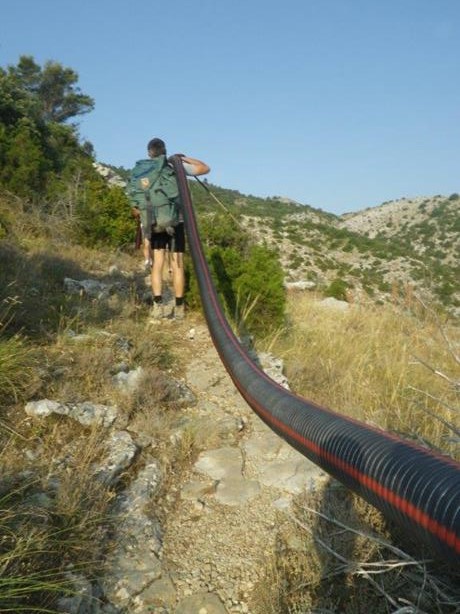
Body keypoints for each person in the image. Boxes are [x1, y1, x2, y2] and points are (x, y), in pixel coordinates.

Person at [138, 138, 210, 322]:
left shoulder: (144, 171)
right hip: (176, 222)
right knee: (178, 265)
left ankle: (157, 306)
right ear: (165, 151)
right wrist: (183, 159)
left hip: (156, 223)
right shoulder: (175, 168)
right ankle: (179, 308)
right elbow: (204, 168)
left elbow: (138, 200)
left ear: (149, 153)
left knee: (158, 264)